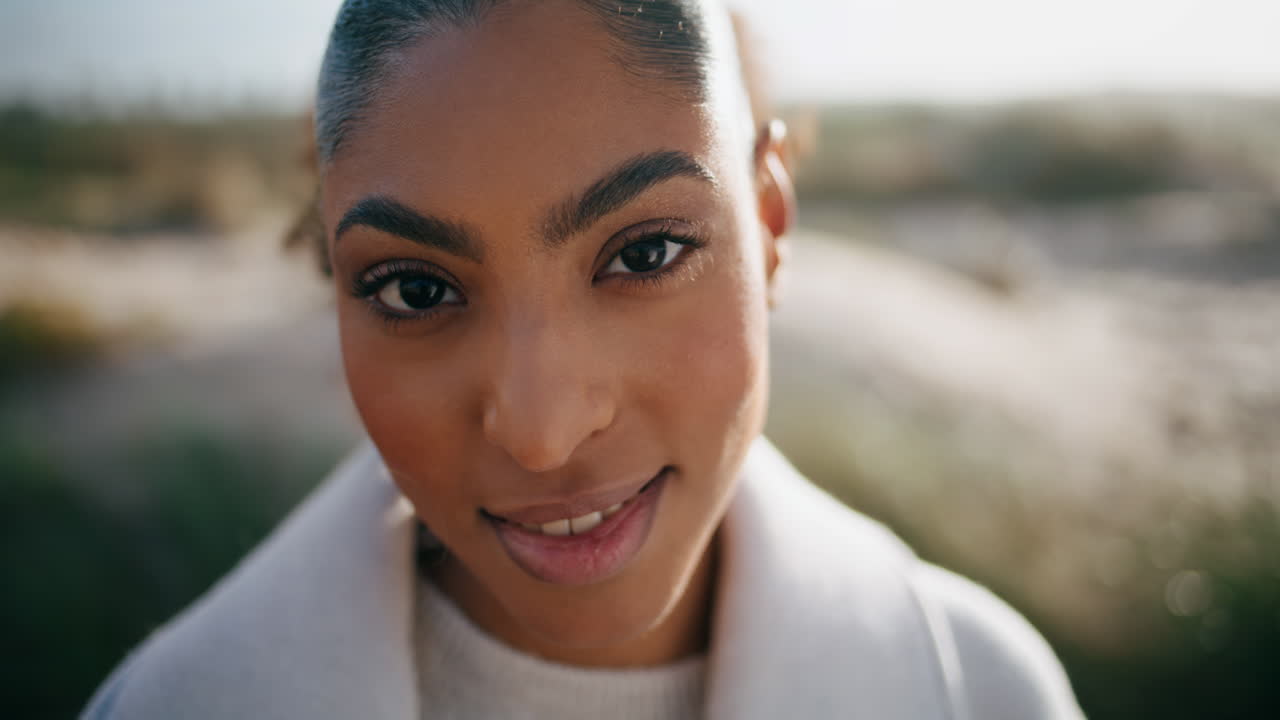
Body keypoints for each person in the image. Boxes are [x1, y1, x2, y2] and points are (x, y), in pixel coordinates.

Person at [84, 1, 1084, 717]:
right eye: (416, 291)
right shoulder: (168, 702)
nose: (541, 430)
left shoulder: (984, 692)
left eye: (643, 254)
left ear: (770, 225)